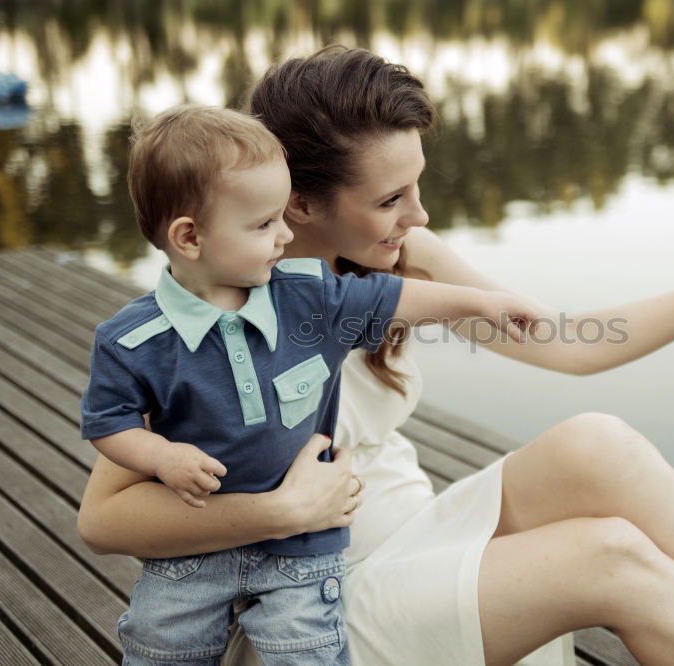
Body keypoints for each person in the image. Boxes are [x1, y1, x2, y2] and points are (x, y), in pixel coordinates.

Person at [77, 47, 674, 666]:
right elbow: (104, 517)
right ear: (299, 203)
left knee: (596, 443)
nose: (419, 215)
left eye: (417, 187)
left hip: (414, 533)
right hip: (307, 603)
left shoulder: (396, 258)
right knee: (602, 557)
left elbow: (569, 341)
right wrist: (279, 512)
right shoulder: (208, 315)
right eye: (391, 199)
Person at [80, 104, 538, 665]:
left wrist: (478, 303)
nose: (285, 235)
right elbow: (109, 424)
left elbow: (396, 300)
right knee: (159, 648)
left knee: (309, 652)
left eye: (282, 217)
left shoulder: (306, 294)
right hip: (194, 553)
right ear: (190, 238)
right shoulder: (132, 340)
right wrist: (161, 455)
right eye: (264, 224)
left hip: (302, 552)